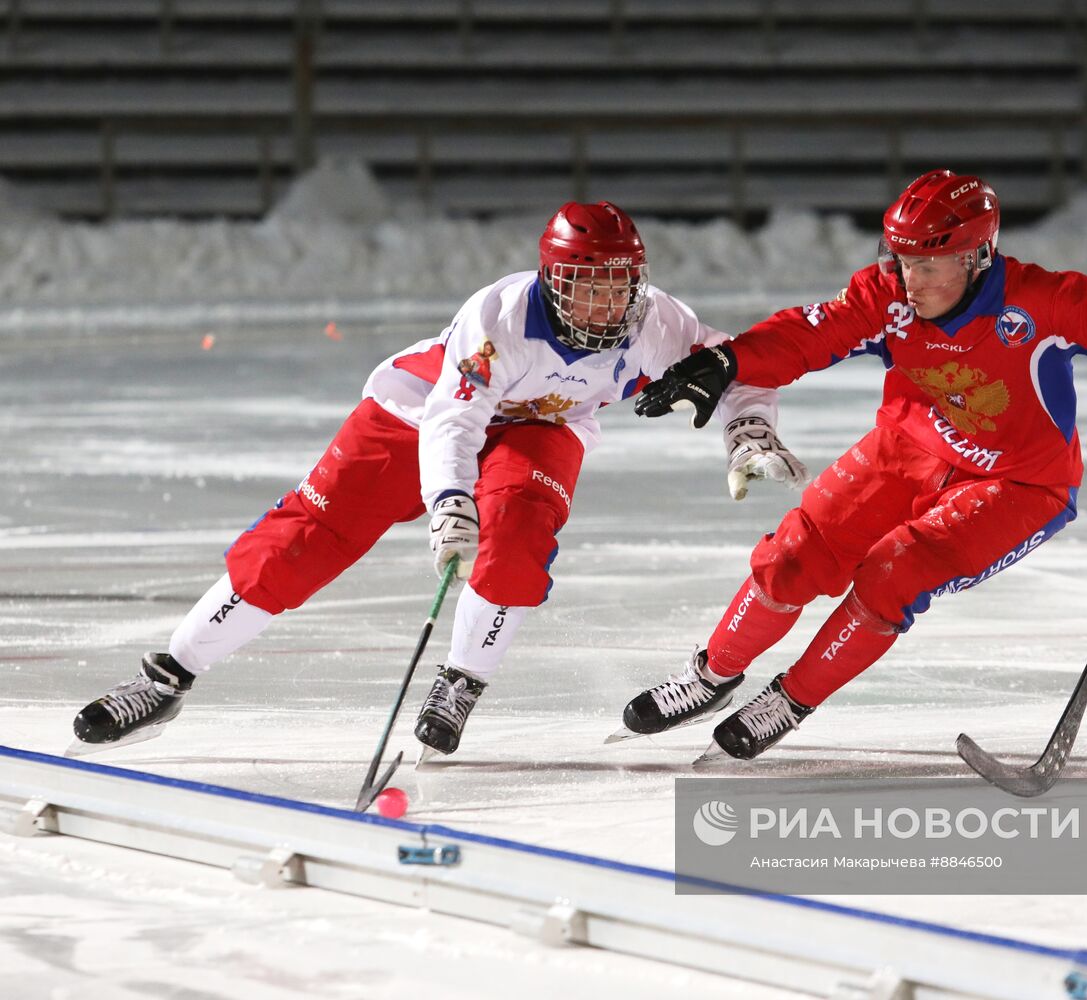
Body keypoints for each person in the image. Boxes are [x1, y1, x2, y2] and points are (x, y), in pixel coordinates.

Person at [71, 201, 805, 756]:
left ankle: (460, 681)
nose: (601, 305)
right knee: (303, 541)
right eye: (584, 286)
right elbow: (452, 420)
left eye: (616, 286)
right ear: (552, 280)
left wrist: (749, 430)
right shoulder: (499, 316)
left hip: (538, 427)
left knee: (518, 534)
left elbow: (738, 363)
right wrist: (449, 503)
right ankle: (167, 677)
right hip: (416, 411)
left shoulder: (657, 322)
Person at [617, 169, 1087, 762]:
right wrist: (728, 361)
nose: (907, 279)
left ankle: (789, 700)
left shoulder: (1046, 301)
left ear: (977, 257)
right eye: (898, 260)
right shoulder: (889, 294)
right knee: (794, 555)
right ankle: (712, 675)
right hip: (906, 448)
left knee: (894, 574)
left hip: (1019, 482)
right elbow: (808, 335)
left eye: (927, 265)